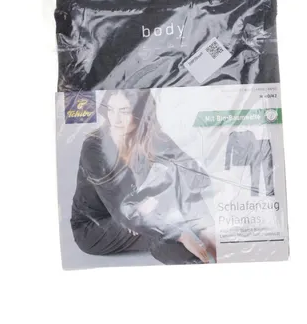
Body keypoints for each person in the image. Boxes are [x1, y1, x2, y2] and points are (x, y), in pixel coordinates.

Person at [70, 89, 216, 264]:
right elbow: (124, 212)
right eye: (111, 110)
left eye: (124, 111)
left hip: (139, 212)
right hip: (95, 226)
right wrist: (180, 233)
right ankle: (197, 265)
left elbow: (194, 175)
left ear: (141, 113)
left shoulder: (151, 137)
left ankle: (210, 239)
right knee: (159, 233)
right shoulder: (95, 147)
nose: (115, 119)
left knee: (179, 192)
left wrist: (204, 228)